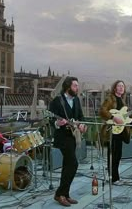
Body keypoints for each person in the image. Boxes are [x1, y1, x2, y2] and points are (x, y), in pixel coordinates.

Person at [49, 76, 87, 207]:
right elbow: (49, 119)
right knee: (73, 163)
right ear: (67, 87)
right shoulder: (57, 101)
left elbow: (80, 116)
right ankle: (60, 193)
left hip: (73, 136)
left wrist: (82, 125)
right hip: (62, 137)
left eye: (77, 85)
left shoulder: (76, 100)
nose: (77, 88)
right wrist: (57, 122)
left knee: (68, 165)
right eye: (75, 86)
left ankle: (64, 194)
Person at [99, 80, 131, 185]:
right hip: (112, 130)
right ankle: (113, 178)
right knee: (112, 154)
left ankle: (116, 177)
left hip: (120, 131)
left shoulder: (123, 101)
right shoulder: (110, 98)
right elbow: (102, 110)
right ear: (115, 88)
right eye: (119, 86)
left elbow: (125, 116)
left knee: (118, 155)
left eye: (123, 86)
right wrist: (113, 117)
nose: (121, 88)